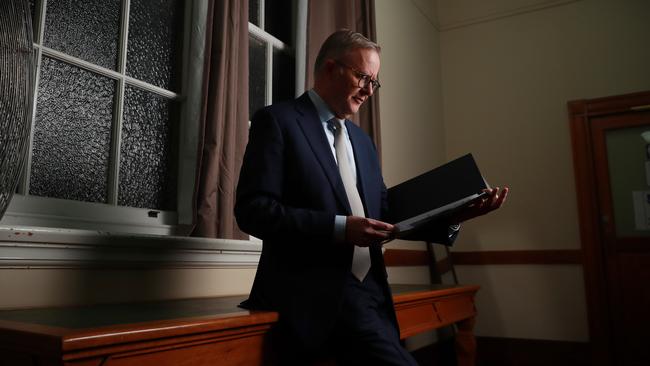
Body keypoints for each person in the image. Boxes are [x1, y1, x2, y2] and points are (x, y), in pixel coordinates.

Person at [235, 30, 508, 365]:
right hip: (311, 296)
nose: (368, 91)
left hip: (373, 293)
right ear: (331, 68)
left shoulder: (363, 141)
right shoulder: (278, 122)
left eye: (374, 82)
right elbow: (253, 211)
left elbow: (385, 212)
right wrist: (339, 228)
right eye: (363, 77)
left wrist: (454, 216)